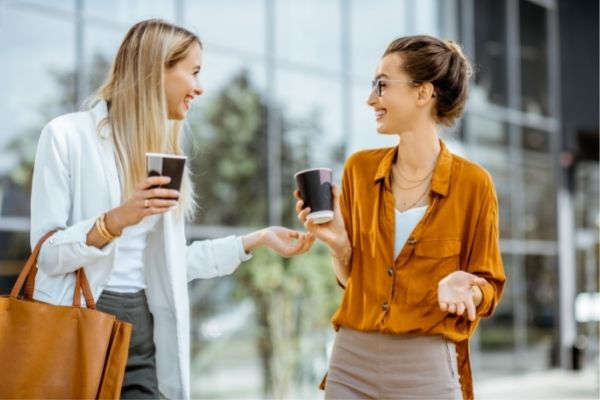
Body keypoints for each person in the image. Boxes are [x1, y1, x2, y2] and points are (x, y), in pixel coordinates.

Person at [30, 19, 314, 399]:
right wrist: (114, 221)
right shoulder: (66, 136)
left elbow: (171, 264)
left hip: (143, 328)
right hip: (80, 324)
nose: (199, 87)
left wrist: (255, 240)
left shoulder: (163, 154)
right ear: (156, 68)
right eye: (193, 72)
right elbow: (45, 256)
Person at [295, 35, 506, 399]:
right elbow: (350, 281)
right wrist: (339, 247)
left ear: (423, 93)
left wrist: (467, 288)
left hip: (426, 367)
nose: (370, 98)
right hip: (352, 361)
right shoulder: (360, 170)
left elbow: (489, 286)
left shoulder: (473, 184)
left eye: (382, 85)